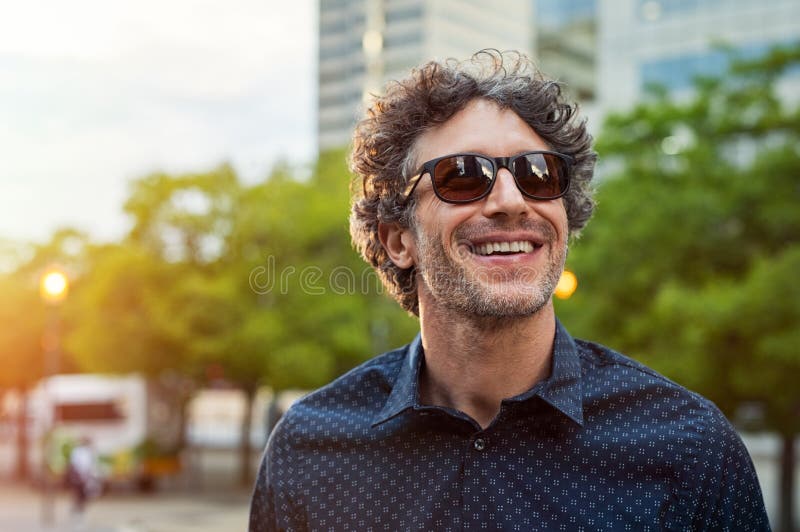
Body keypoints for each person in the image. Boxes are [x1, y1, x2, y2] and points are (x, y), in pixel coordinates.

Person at [249, 50, 770, 530]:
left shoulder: (692, 449)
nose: (510, 199)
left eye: (538, 174)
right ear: (398, 240)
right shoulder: (308, 454)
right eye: (462, 175)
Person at [66, 437, 99, 516]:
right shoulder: (79, 451)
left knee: (83, 493)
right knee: (79, 492)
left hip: (84, 475)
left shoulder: (86, 451)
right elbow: (76, 463)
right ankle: (78, 508)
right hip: (79, 475)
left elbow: (90, 464)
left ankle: (79, 507)